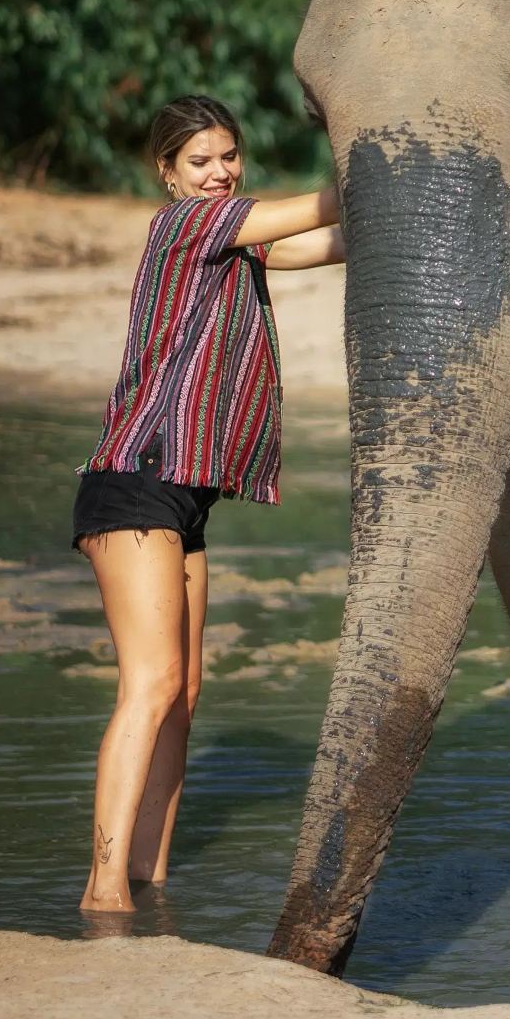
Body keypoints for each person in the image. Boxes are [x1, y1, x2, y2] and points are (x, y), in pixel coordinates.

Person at [72, 95, 344, 913]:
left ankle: (149, 880)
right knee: (150, 686)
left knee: (183, 696)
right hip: (135, 483)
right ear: (166, 173)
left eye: (230, 156)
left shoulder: (238, 247)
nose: (220, 172)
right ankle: (103, 891)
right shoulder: (183, 228)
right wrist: (382, 153)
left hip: (183, 501)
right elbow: (333, 202)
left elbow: (337, 238)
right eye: (200, 162)